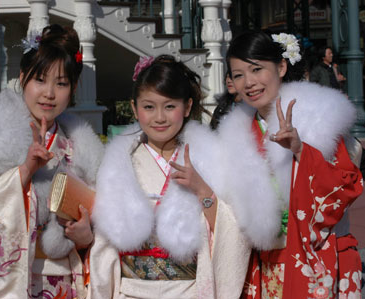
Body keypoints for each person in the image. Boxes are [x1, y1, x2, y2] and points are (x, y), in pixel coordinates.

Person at [0, 24, 104, 298]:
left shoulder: (78, 148)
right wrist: (24, 171)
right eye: (40, 80)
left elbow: (100, 219)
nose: (49, 93)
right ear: (22, 77)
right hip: (9, 280)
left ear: (72, 89)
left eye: (61, 83)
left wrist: (86, 237)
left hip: (62, 282)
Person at [215, 31, 363, 298]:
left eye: (256, 69)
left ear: (281, 67)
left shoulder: (318, 121)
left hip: (319, 260)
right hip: (265, 265)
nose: (248, 82)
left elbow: (345, 187)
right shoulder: (236, 133)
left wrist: (301, 151)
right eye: (238, 75)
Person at [88, 55, 250, 298]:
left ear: (186, 107)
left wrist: (203, 190)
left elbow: (233, 231)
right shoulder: (118, 165)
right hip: (131, 291)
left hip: (187, 291)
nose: (160, 117)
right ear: (134, 108)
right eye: (149, 107)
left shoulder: (210, 159)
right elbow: (104, 243)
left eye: (170, 106)